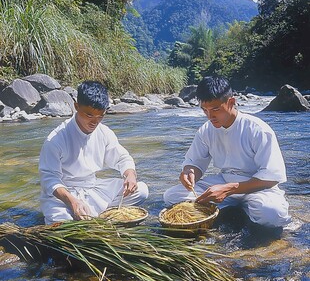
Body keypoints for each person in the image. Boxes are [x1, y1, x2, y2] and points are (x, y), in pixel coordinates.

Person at [164, 76, 291, 228]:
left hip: (257, 187)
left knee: (272, 214)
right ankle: (234, 210)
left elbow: (271, 178)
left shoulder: (257, 129)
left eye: (215, 109)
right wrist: (189, 172)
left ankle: (232, 210)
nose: (210, 116)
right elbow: (195, 163)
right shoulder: (206, 130)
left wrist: (229, 189)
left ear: (231, 102)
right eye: (205, 110)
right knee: (171, 196)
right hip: (223, 182)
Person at [39, 81, 149, 224]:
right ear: (76, 106)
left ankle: (94, 214)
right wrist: (73, 202)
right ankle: (92, 214)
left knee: (141, 190)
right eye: (89, 115)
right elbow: (49, 180)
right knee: (62, 223)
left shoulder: (104, 132)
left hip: (92, 188)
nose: (94, 122)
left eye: (100, 116)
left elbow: (122, 158)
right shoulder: (55, 139)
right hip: (64, 195)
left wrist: (130, 175)